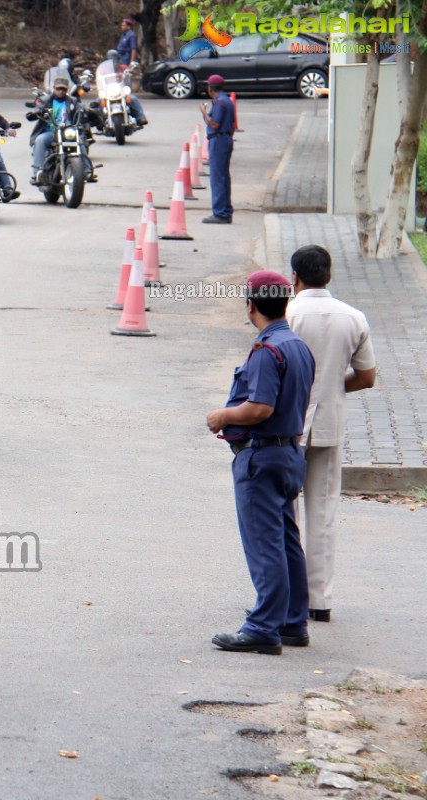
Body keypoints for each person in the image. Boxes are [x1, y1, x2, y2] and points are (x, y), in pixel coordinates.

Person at [206, 270, 316, 655]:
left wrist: (224, 416)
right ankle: (292, 621)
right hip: (288, 454)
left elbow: (260, 407)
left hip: (262, 457)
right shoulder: (297, 345)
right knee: (287, 541)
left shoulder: (267, 351)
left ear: (250, 305)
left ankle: (263, 627)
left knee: (265, 544)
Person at [286, 245, 377, 623]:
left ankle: (286, 595)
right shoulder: (353, 317)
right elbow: (368, 377)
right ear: (329, 274)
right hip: (329, 423)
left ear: (295, 277)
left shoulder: (288, 313)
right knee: (322, 513)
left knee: (283, 511)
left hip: (288, 424)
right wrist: (331, 387)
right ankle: (319, 600)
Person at [29, 74, 80, 184]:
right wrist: (35, 113)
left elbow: (81, 109)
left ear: (66, 90)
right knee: (40, 140)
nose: (61, 91)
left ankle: (85, 170)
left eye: (63, 89)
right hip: (51, 133)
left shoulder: (72, 101)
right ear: (54, 88)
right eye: (58, 89)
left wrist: (88, 111)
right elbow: (38, 108)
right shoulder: (46, 100)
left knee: (80, 139)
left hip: (67, 133)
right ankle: (37, 174)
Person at [200, 74, 235, 224]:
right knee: (224, 177)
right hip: (226, 138)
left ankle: (220, 213)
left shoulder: (219, 103)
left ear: (210, 88)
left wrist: (203, 112)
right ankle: (226, 211)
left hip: (218, 140)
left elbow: (214, 124)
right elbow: (232, 125)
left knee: (217, 178)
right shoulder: (227, 101)